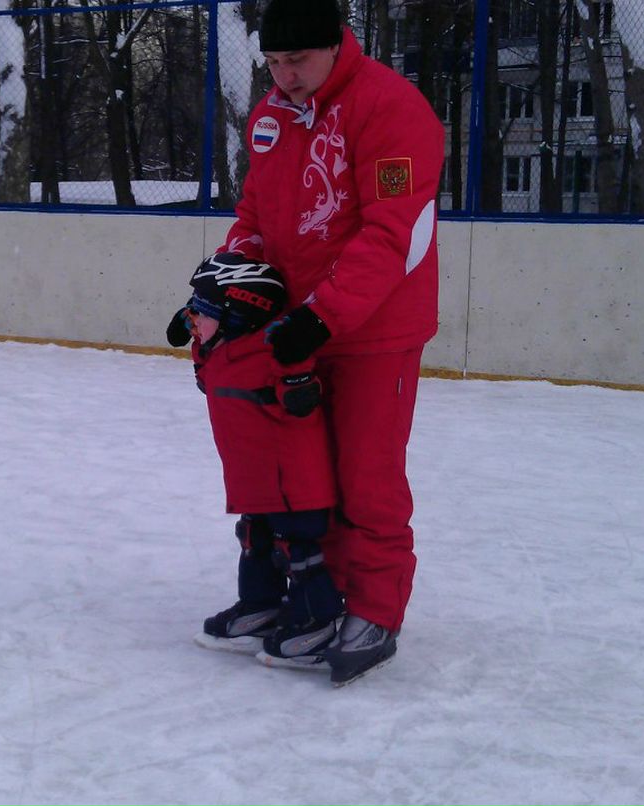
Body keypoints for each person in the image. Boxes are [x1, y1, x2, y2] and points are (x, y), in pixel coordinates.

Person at [220, 0, 446, 685]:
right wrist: (225, 290)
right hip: (297, 329)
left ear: (335, 46)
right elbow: (254, 216)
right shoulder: (269, 119)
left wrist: (324, 314)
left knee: (366, 477)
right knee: (305, 474)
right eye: (275, 63)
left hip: (375, 331)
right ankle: (314, 599)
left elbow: (394, 231)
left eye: (300, 61)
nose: (285, 77)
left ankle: (375, 608)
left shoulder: (389, 107)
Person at [168, 253, 345, 672]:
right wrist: (192, 329)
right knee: (255, 538)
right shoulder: (219, 351)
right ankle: (261, 605)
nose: (192, 316)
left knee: (296, 550)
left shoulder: (270, 352)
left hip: (294, 483)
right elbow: (205, 369)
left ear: (239, 315)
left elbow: (297, 383)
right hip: (255, 478)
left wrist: (297, 374)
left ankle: (317, 622)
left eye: (202, 311)